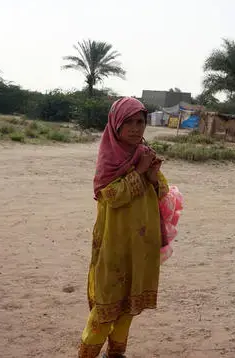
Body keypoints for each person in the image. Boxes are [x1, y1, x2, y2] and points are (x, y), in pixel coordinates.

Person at [78, 97, 168, 358]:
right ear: (115, 124)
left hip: (141, 243)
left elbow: (163, 191)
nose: (135, 128)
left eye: (140, 122)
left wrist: (152, 176)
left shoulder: (145, 153)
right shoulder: (110, 158)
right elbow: (109, 197)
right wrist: (138, 172)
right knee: (105, 310)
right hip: (113, 242)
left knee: (128, 309)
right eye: (128, 122)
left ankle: (116, 354)